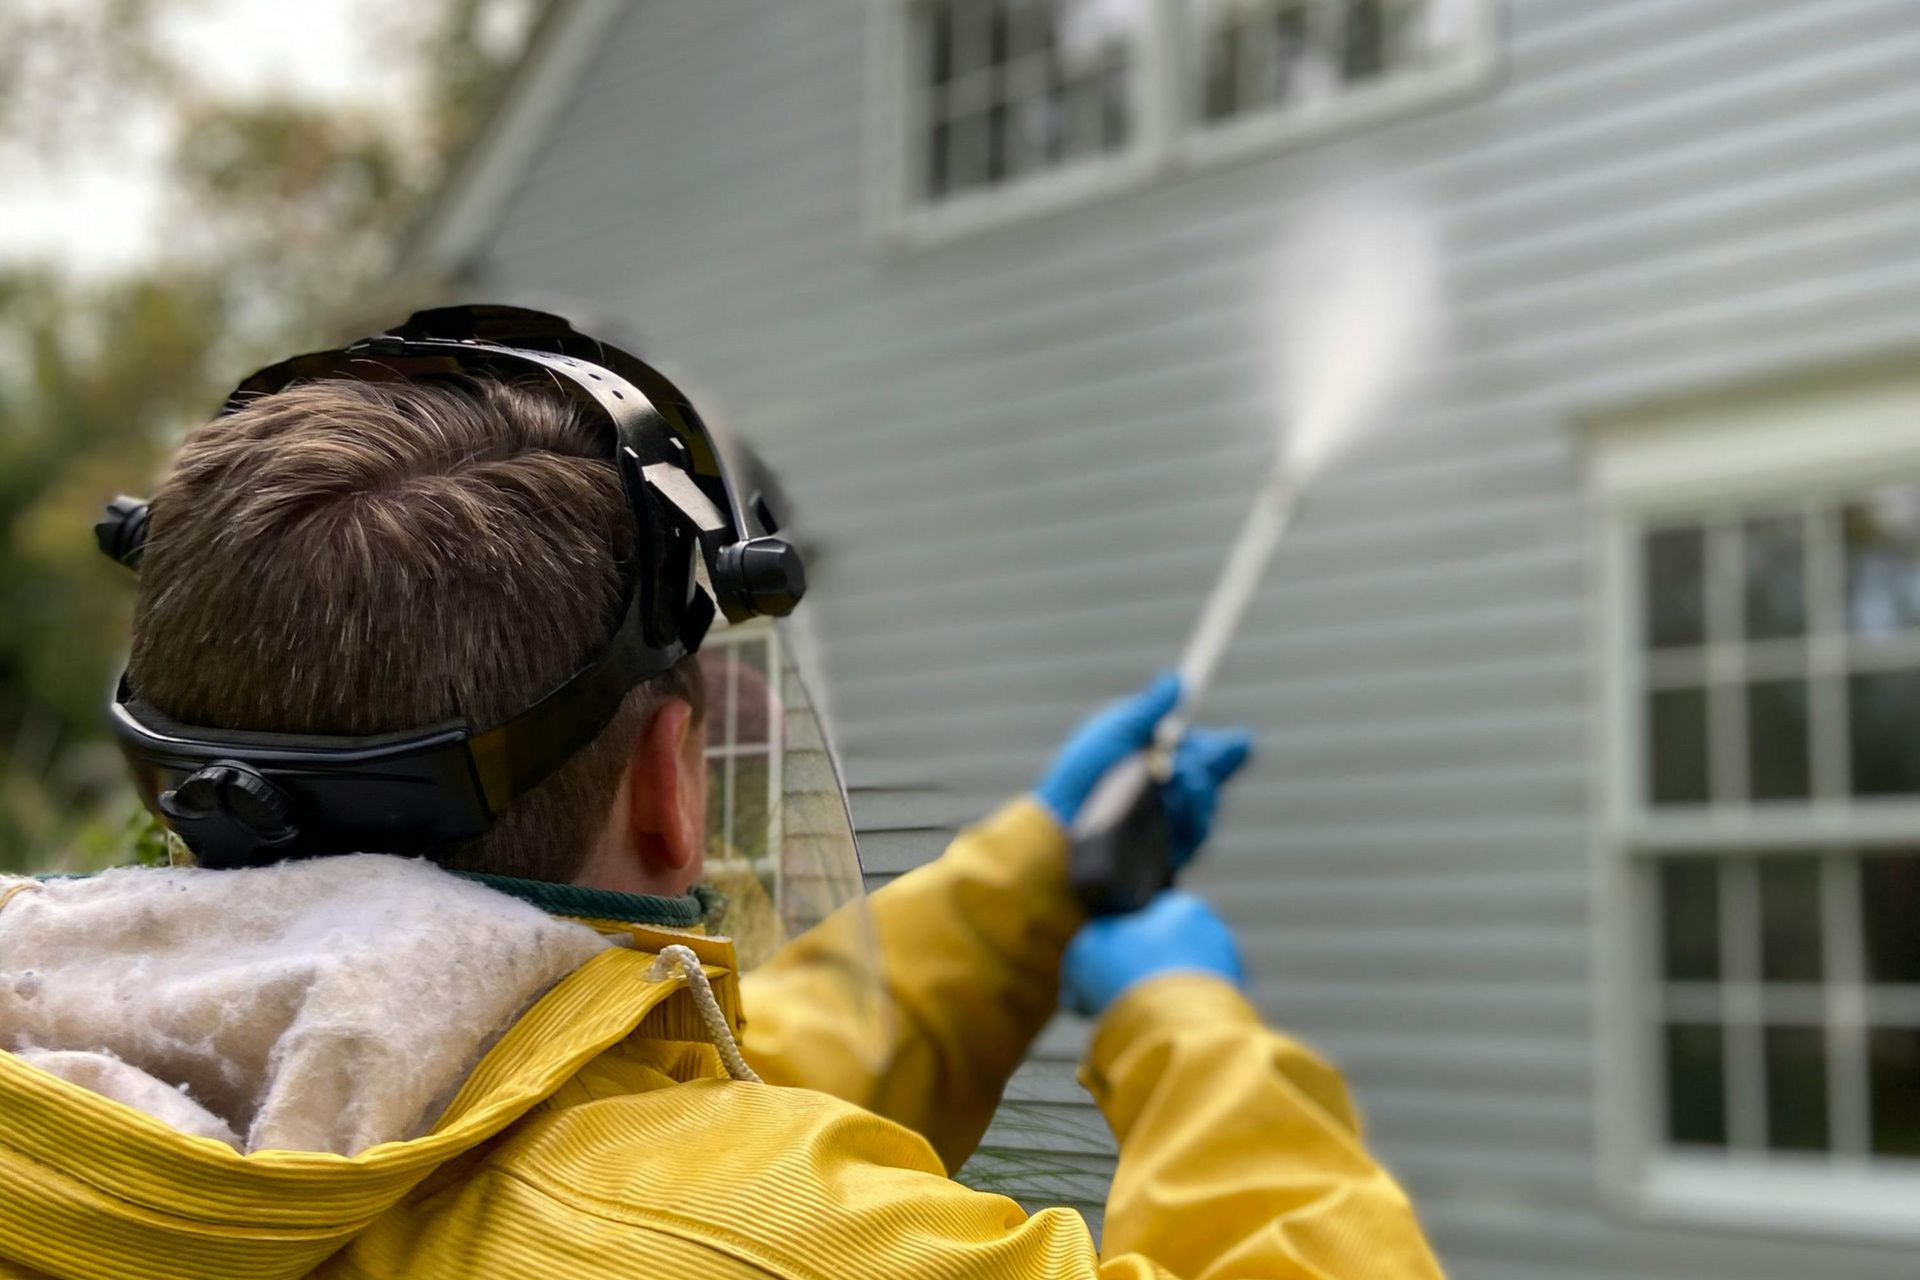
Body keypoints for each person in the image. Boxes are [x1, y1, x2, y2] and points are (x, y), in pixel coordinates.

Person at [0, 308, 1444, 1280]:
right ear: (669, 786)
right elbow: (696, 1198)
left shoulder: (101, 1104)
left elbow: (620, 1119)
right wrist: (1189, 1029)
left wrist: (1028, 886)